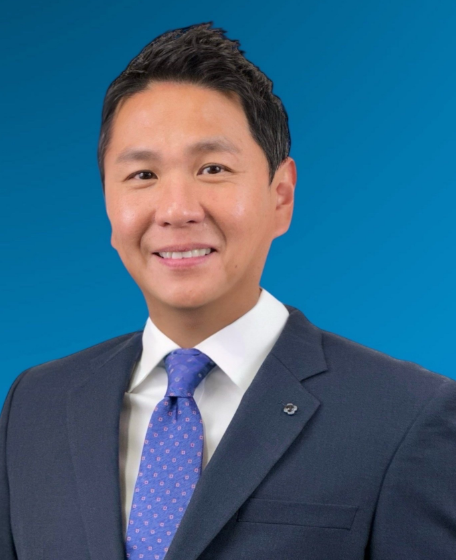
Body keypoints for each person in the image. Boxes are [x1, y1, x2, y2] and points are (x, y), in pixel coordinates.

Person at [1, 21, 455, 560]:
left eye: (212, 168)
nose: (176, 210)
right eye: (142, 175)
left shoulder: (406, 415)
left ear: (280, 196)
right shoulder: (36, 406)